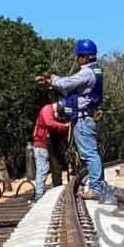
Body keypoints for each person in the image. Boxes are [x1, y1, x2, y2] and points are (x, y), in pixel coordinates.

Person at [36, 39, 106, 201]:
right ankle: (97, 184)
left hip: (83, 119)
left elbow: (68, 84)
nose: (77, 59)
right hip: (85, 117)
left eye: (79, 56)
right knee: (89, 153)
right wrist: (50, 83)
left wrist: (53, 79)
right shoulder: (95, 71)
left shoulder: (88, 72)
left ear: (84, 57)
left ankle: (96, 187)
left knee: (89, 153)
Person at [32, 101, 70, 201]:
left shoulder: (53, 112)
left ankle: (51, 191)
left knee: (52, 167)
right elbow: (49, 123)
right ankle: (39, 195)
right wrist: (65, 126)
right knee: (43, 169)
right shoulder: (47, 110)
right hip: (40, 145)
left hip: (47, 145)